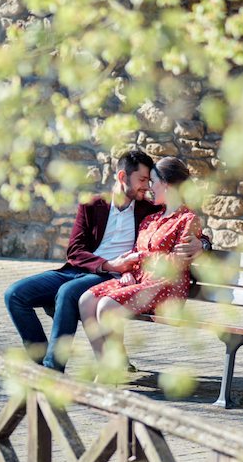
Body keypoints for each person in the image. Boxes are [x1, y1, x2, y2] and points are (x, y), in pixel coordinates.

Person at [3, 149, 203, 371]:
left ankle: (53, 368)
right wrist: (107, 264)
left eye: (149, 181)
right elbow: (75, 250)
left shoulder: (149, 208)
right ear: (122, 177)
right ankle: (40, 358)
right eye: (142, 180)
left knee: (68, 293)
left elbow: (183, 219)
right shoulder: (91, 205)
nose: (146, 187)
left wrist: (203, 243)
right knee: (15, 295)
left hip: (114, 276)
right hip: (84, 269)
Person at [78, 157, 202, 368]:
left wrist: (143, 259)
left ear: (167, 184)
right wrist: (128, 270)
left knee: (107, 306)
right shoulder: (151, 218)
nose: (149, 187)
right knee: (87, 301)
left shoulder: (188, 220)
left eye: (152, 182)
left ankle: (114, 368)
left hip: (167, 287)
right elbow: (135, 251)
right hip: (140, 281)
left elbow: (177, 263)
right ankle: (105, 366)